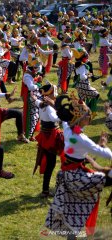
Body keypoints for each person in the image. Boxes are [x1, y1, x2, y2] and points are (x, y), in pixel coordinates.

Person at [45, 94, 112, 238]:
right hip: (77, 178)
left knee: (73, 208)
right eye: (88, 114)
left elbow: (64, 119)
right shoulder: (81, 138)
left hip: (69, 176)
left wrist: (54, 104)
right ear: (80, 119)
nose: (90, 116)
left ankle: (72, 235)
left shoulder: (69, 129)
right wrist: (104, 144)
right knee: (106, 179)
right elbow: (104, 154)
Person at [32, 84, 64, 198]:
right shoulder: (49, 107)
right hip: (51, 137)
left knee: (50, 162)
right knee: (51, 163)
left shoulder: (41, 104)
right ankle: (45, 190)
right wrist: (63, 113)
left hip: (45, 135)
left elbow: (36, 101)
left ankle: (45, 189)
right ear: (49, 93)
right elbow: (56, 118)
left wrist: (34, 98)